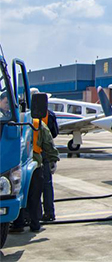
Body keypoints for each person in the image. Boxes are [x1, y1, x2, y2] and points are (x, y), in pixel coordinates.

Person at [10, 118, 59, 233]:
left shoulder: (10, 119)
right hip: (34, 164)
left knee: (17, 193)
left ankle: (18, 223)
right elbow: (48, 142)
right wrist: (53, 159)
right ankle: (35, 224)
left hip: (14, 166)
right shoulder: (37, 123)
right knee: (34, 196)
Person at [30, 89, 60, 222]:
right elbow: (54, 133)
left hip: (32, 154)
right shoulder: (50, 115)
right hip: (45, 153)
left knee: (31, 188)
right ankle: (49, 213)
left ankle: (29, 216)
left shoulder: (25, 115)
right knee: (46, 185)